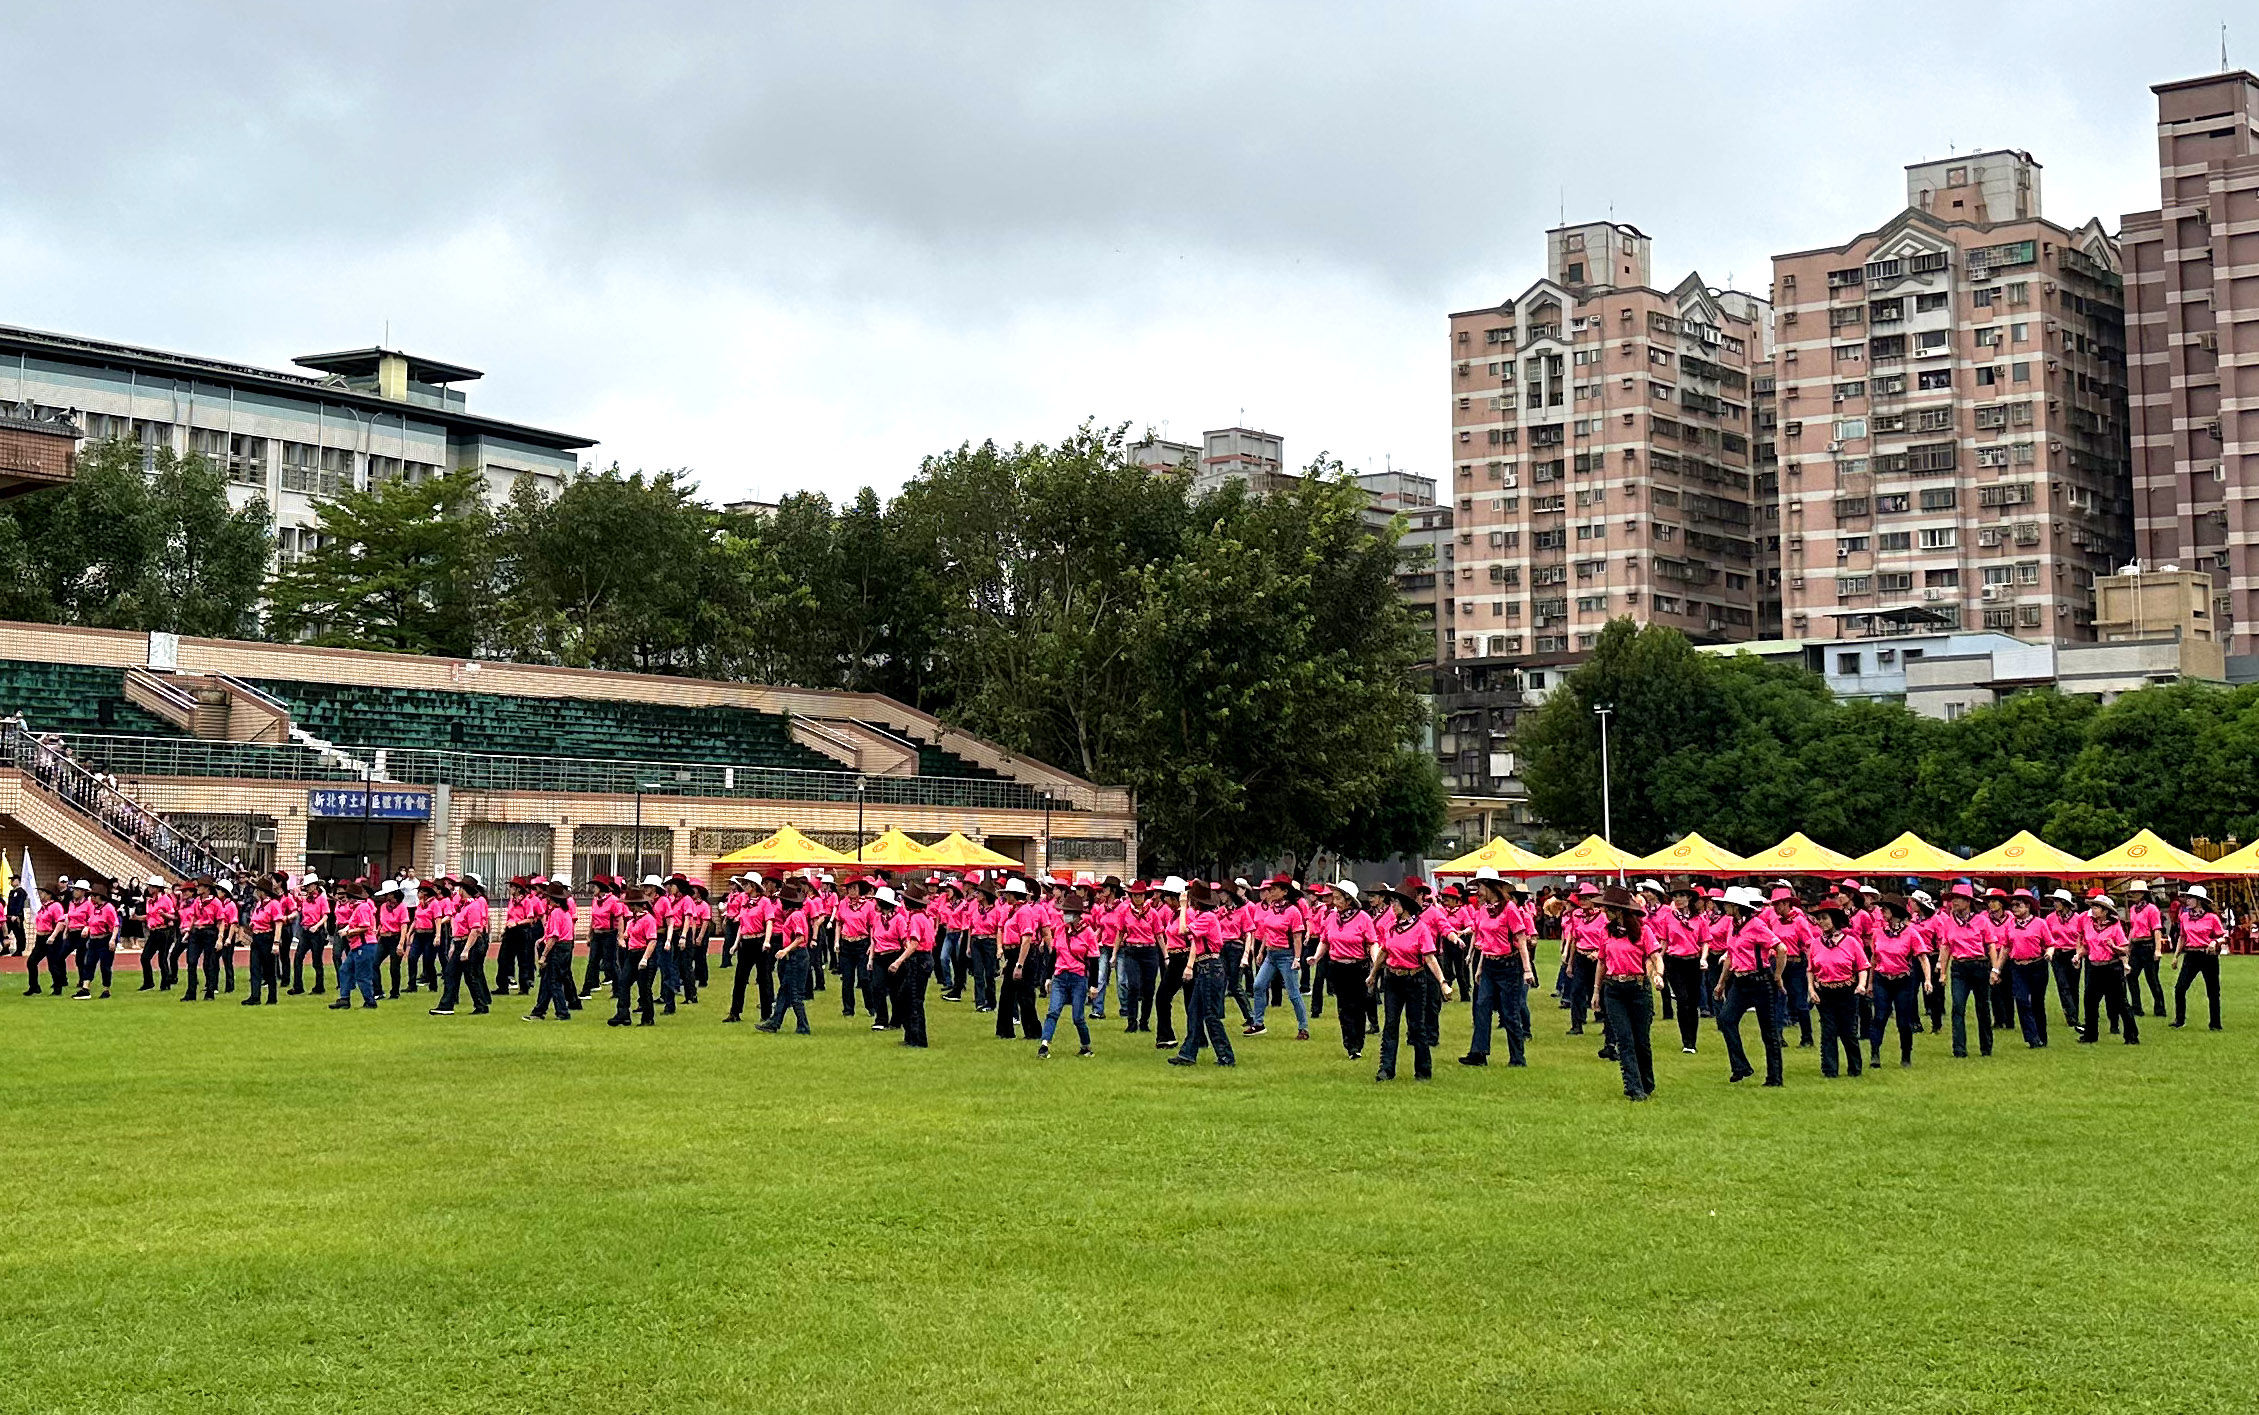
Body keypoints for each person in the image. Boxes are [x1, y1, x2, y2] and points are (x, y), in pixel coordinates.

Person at [1365, 885, 1445, 1082]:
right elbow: (1384, 951)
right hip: (1393, 979)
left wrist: (1442, 982)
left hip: (1415, 980)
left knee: (1417, 1026)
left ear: (1406, 905)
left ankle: (1423, 1071)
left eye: (1395, 902)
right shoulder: (1391, 927)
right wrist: (1373, 974)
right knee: (1390, 1024)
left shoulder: (1421, 929)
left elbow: (1429, 958)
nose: (1392, 906)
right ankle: (1386, 1069)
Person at [1590, 885, 1661, 1100]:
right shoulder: (1606, 932)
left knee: (1641, 1041)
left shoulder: (1643, 931)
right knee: (1624, 1039)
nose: (1604, 912)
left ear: (1619, 911)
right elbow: (1601, 962)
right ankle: (1633, 1086)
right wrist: (1596, 991)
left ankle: (1646, 1082)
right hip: (1614, 990)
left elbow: (1655, 956)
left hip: (1638, 988)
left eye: (1608, 908)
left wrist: (1658, 975)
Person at [1462, 870, 1537, 1067]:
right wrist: (1479, 968)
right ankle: (1478, 1053)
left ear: (1490, 886)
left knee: (1509, 1012)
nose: (1477, 891)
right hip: (1489, 964)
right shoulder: (1483, 910)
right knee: (1481, 1006)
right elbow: (1484, 941)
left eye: (1480, 887)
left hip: (1509, 965)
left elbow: (1521, 939)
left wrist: (1527, 969)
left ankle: (1517, 1058)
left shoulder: (1510, 909)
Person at [1712, 885, 1784, 1086]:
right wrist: (1721, 984)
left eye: (1727, 904)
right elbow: (1730, 955)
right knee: (1726, 1019)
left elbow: (1781, 948)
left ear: (1736, 906)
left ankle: (1774, 1078)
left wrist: (1777, 975)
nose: (1724, 907)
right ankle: (1741, 1066)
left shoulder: (1756, 925)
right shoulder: (1732, 926)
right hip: (1740, 981)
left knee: (1768, 1031)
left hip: (1760, 981)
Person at [1167, 878, 1237, 1068]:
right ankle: (1188, 1053)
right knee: (1195, 1011)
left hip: (1210, 968)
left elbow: (1182, 931)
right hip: (1206, 966)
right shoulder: (1204, 917)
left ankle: (1226, 1056)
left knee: (1210, 1015)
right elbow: (1195, 944)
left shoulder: (1207, 918)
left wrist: (1182, 907)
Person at [1313, 880, 1379, 1060]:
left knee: (1358, 1006)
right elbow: (1324, 941)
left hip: (1358, 967)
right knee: (1343, 1007)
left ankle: (1358, 1043)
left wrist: (1376, 962)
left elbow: (1372, 943)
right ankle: (1350, 1045)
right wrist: (1316, 957)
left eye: (1338, 897)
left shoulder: (1363, 918)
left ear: (1348, 900)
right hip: (1337, 967)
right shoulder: (1331, 918)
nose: (1334, 901)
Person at [1805, 901, 1871, 1078]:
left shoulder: (1850, 942)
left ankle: (1855, 1069)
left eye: (1825, 918)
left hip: (1847, 991)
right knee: (1828, 1032)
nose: (1821, 922)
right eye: (1819, 919)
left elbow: (1863, 966)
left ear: (1834, 919)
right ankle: (1829, 1070)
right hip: (1825, 992)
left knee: (1848, 1032)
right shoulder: (1815, 944)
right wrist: (1811, 990)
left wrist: (1861, 985)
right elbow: (1811, 969)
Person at [1930, 883, 1995, 1059]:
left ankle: (1986, 1047)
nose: (1954, 902)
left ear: (1968, 902)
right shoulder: (1949, 923)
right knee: (1957, 1007)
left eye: (1958, 899)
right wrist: (1943, 971)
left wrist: (1995, 969)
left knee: (1983, 1007)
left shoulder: (1982, 920)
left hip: (1979, 965)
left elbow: (1990, 945)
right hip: (1959, 968)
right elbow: (1945, 947)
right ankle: (1959, 1049)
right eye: (1952, 899)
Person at [1865, 895, 1931, 1068]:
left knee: (1903, 1020)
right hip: (1882, 979)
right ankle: (1874, 1054)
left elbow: (1923, 958)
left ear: (1895, 911)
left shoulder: (1911, 932)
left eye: (1885, 908)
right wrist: (1870, 983)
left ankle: (1906, 1055)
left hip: (1903, 981)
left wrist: (1928, 980)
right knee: (1879, 1017)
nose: (1881, 912)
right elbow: (1874, 958)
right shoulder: (1878, 933)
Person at [1243, 875, 1310, 1040]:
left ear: (1284, 892)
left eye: (1274, 889)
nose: (1270, 892)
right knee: (1258, 986)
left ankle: (1303, 1028)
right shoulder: (1272, 908)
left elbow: (1297, 937)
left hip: (1286, 956)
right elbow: (1267, 931)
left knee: (1293, 993)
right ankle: (1258, 1024)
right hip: (1271, 955)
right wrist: (1261, 952)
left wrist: (1297, 958)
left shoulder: (1293, 911)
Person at [1040, 885, 1099, 1058]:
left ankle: (1086, 1046)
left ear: (1077, 914)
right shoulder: (1060, 930)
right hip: (1060, 976)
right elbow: (1054, 955)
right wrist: (1048, 978)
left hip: (1078, 977)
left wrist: (1093, 985)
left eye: (1067, 912)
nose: (1064, 915)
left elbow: (1093, 960)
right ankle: (1044, 1045)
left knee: (1077, 1017)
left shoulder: (1087, 933)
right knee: (1053, 1012)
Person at [2078, 890, 2138, 1046]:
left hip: (2111, 968)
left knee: (2120, 1003)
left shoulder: (2115, 927)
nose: (2093, 909)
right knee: (2090, 1002)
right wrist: (2078, 956)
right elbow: (2087, 946)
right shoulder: (2089, 925)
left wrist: (2114, 946)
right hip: (2093, 967)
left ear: (2105, 911)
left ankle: (2131, 1036)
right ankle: (2090, 1035)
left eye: (2097, 906)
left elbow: (2125, 949)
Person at [1650, 881, 1703, 1054]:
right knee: (1682, 1000)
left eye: (1681, 896)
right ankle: (1686, 1040)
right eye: (1675, 896)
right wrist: (1659, 962)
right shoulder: (1668, 918)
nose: (1678, 899)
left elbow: (1705, 941)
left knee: (1693, 1002)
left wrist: (1703, 959)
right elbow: (1664, 941)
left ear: (1689, 898)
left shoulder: (1699, 919)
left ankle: (1692, 1040)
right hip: (1675, 961)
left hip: (1693, 961)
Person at [755, 881, 815, 1035]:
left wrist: (785, 950)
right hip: (796, 957)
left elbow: (800, 938)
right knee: (784, 991)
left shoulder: (794, 916)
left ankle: (803, 1026)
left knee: (795, 994)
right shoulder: (798, 914)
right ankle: (774, 1022)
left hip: (797, 956)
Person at [429, 875, 493, 1017]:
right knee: (451, 974)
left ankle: (480, 1005)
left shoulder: (474, 906)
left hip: (468, 944)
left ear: (464, 890)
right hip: (460, 942)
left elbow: (475, 929)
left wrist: (466, 950)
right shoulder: (465, 906)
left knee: (471, 976)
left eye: (460, 888)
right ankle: (447, 1004)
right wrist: (454, 945)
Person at [1765, 885, 1819, 1048]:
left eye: (1778, 904)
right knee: (1777, 1000)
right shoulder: (1774, 920)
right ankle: (1778, 1036)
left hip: (1795, 964)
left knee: (1800, 1001)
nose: (1775, 908)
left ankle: (1807, 1037)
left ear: (1787, 903)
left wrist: (1811, 967)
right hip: (1778, 963)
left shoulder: (1800, 921)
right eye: (1774, 904)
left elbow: (1809, 945)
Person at [724, 875, 781, 1024]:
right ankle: (734, 1012)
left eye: (746, 884)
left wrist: (767, 941)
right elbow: (742, 925)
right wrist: (736, 944)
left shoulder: (765, 902)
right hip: (746, 943)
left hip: (759, 941)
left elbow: (769, 922)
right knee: (740, 979)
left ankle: (766, 1014)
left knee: (764, 978)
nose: (744, 886)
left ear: (754, 886)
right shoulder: (744, 902)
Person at [2000, 889, 2052, 1049]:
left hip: (2037, 965)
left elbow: (2050, 943)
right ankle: (2031, 1037)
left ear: (2028, 906)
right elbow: (2006, 947)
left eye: (2018, 905)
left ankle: (2041, 1036)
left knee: (2037, 1002)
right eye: (2012, 905)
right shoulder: (2010, 925)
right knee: (2021, 1000)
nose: (2014, 908)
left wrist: (2049, 953)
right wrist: (1997, 969)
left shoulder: (2040, 923)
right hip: (2017, 966)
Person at [886, 884, 936, 1047]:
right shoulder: (926, 917)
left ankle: (917, 1039)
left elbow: (914, 944)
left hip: (918, 960)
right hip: (926, 958)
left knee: (913, 1000)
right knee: (907, 997)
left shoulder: (915, 919)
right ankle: (911, 1036)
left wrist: (898, 961)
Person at [2170, 883, 2226, 1031]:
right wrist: (2176, 956)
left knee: (2213, 991)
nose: (2187, 900)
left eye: (2190, 898)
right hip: (2191, 955)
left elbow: (2223, 936)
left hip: (2208, 956)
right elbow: (2182, 937)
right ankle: (2179, 1019)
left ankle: (2215, 1023)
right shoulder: (2184, 917)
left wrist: (2215, 942)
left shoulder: (2212, 918)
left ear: (2199, 900)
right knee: (2180, 988)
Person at [527, 879, 579, 1021]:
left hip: (558, 949)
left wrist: (544, 955)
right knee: (549, 981)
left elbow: (554, 936)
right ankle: (539, 1010)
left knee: (554, 981)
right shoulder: (565, 912)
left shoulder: (556, 913)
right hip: (566, 947)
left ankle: (562, 1012)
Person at [1559, 883, 1606, 1038]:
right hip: (1580, 955)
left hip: (1598, 958)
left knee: (1600, 989)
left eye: (1586, 898)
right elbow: (1574, 938)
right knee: (1576, 990)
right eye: (1581, 898)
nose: (1583, 901)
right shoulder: (1576, 915)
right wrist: (1570, 963)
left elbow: (1607, 940)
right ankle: (1577, 1024)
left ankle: (1606, 1022)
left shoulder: (1603, 917)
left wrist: (1599, 953)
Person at [610, 886, 660, 1027]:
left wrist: (645, 959)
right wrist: (623, 938)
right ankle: (623, 1014)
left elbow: (652, 940)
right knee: (623, 983)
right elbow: (628, 934)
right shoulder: (633, 921)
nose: (629, 908)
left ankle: (648, 1017)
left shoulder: (648, 919)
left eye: (630, 905)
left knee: (644, 988)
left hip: (643, 954)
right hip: (631, 955)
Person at [1117, 881, 1161, 1034]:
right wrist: (1114, 954)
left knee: (1149, 988)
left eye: (1140, 895)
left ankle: (1144, 1021)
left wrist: (1166, 955)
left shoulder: (1152, 913)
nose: (1137, 898)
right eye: (1135, 895)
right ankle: (1131, 1021)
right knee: (1133, 986)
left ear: (1144, 896)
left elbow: (1158, 935)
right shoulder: (1125, 912)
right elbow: (1120, 933)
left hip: (1149, 951)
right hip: (1132, 951)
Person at [330, 880, 381, 1010]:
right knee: (345, 970)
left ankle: (370, 1001)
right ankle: (344, 998)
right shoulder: (359, 907)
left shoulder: (362, 908)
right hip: (358, 945)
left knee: (362, 975)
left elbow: (365, 927)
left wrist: (348, 932)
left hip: (364, 945)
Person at [2124, 879, 2169, 1020]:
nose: (2134, 894)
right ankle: (2137, 1007)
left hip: (2148, 945)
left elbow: (2157, 929)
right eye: (2133, 892)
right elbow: (2133, 928)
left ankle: (2160, 1008)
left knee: (2152, 978)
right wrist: (2128, 946)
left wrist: (2158, 949)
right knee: (2131, 976)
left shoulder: (2152, 909)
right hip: (2137, 945)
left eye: (2136, 892)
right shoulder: (2133, 909)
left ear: (2143, 894)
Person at [242, 876, 288, 1006]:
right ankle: (255, 996)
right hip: (257, 937)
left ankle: (272, 997)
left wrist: (276, 943)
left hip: (267, 937)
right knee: (255, 967)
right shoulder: (259, 904)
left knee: (269, 969)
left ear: (263, 891)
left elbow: (278, 923)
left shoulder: (274, 904)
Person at [72, 880, 120, 1000]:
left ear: (99, 896)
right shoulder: (93, 908)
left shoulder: (108, 908)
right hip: (93, 939)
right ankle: (85, 988)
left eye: (93, 896)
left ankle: (106, 989)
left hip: (105, 939)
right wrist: (87, 928)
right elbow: (90, 921)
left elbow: (115, 924)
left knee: (105, 965)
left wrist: (113, 940)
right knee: (89, 963)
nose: (91, 898)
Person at [2044, 888, 2084, 1029]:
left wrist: (2078, 955)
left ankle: (2074, 1013)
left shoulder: (2078, 919)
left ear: (2065, 903)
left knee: (2073, 986)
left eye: (2057, 901)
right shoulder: (2050, 918)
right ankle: (2072, 1017)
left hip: (2073, 953)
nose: (2055, 904)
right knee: (2063, 985)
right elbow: (2048, 937)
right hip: (2058, 954)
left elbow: (2081, 938)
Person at [290, 874, 330, 995]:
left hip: (316, 932)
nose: (307, 888)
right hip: (305, 930)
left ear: (315, 886)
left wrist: (317, 926)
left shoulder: (322, 898)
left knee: (316, 961)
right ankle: (298, 986)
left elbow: (325, 915)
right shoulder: (306, 899)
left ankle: (319, 986)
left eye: (308, 886)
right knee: (298, 958)